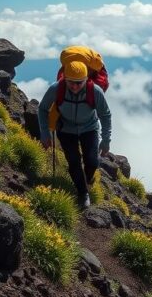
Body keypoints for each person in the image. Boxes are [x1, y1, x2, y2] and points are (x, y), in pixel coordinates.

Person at [37, 60, 112, 209]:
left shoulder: (95, 91)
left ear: (86, 80)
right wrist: (45, 132)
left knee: (92, 162)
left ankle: (86, 179)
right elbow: (42, 109)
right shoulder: (57, 89)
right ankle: (83, 193)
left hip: (89, 128)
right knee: (74, 161)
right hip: (66, 129)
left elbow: (105, 115)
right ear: (65, 79)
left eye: (79, 83)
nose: (75, 86)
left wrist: (106, 140)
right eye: (71, 82)